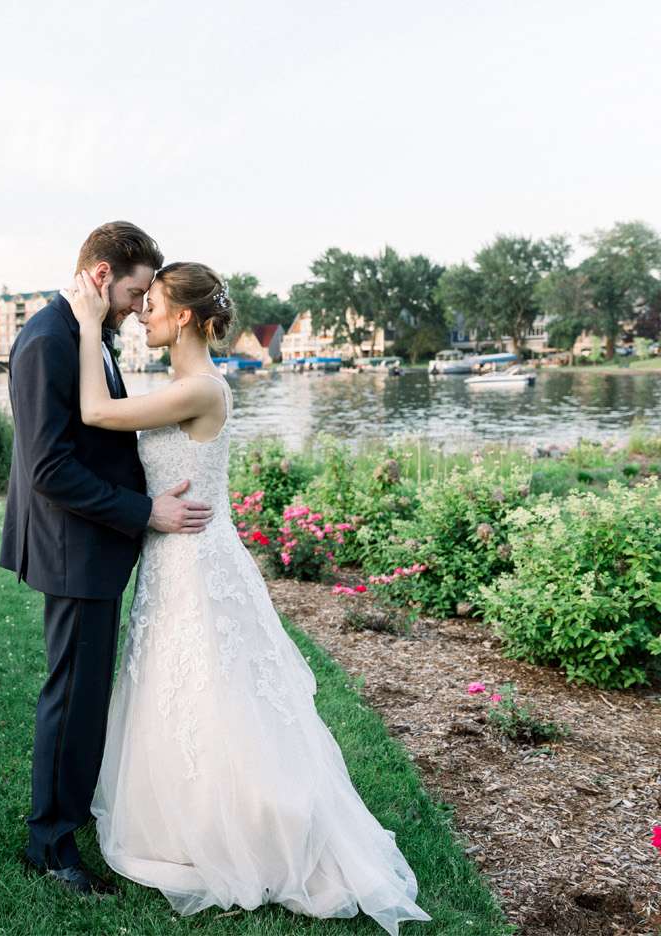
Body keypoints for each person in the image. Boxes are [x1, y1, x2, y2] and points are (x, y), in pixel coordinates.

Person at [67, 261, 433, 934]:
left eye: (150, 306)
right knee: (182, 688)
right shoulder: (182, 383)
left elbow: (94, 412)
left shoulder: (201, 388)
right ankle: (183, 811)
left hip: (196, 563)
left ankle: (243, 825)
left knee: (213, 687)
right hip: (173, 556)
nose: (141, 315)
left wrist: (90, 326)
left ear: (181, 317)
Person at [0, 221, 213, 897]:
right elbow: (49, 469)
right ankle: (51, 844)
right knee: (73, 696)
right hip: (70, 546)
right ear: (100, 276)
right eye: (133, 290)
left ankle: (69, 813)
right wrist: (143, 511)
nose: (136, 305)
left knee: (86, 692)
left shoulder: (82, 333)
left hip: (89, 542)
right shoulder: (46, 340)